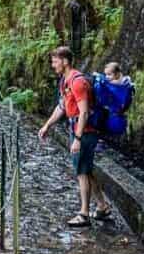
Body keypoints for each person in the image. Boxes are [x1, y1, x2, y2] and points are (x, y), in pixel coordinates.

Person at [38, 46, 111, 227]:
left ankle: (84, 214)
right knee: (85, 169)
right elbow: (62, 107)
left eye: (55, 61)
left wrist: (77, 139)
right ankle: (102, 206)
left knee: (81, 172)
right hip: (78, 130)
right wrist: (47, 125)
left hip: (85, 132)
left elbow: (84, 112)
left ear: (65, 61)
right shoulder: (65, 81)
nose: (53, 65)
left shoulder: (78, 82)